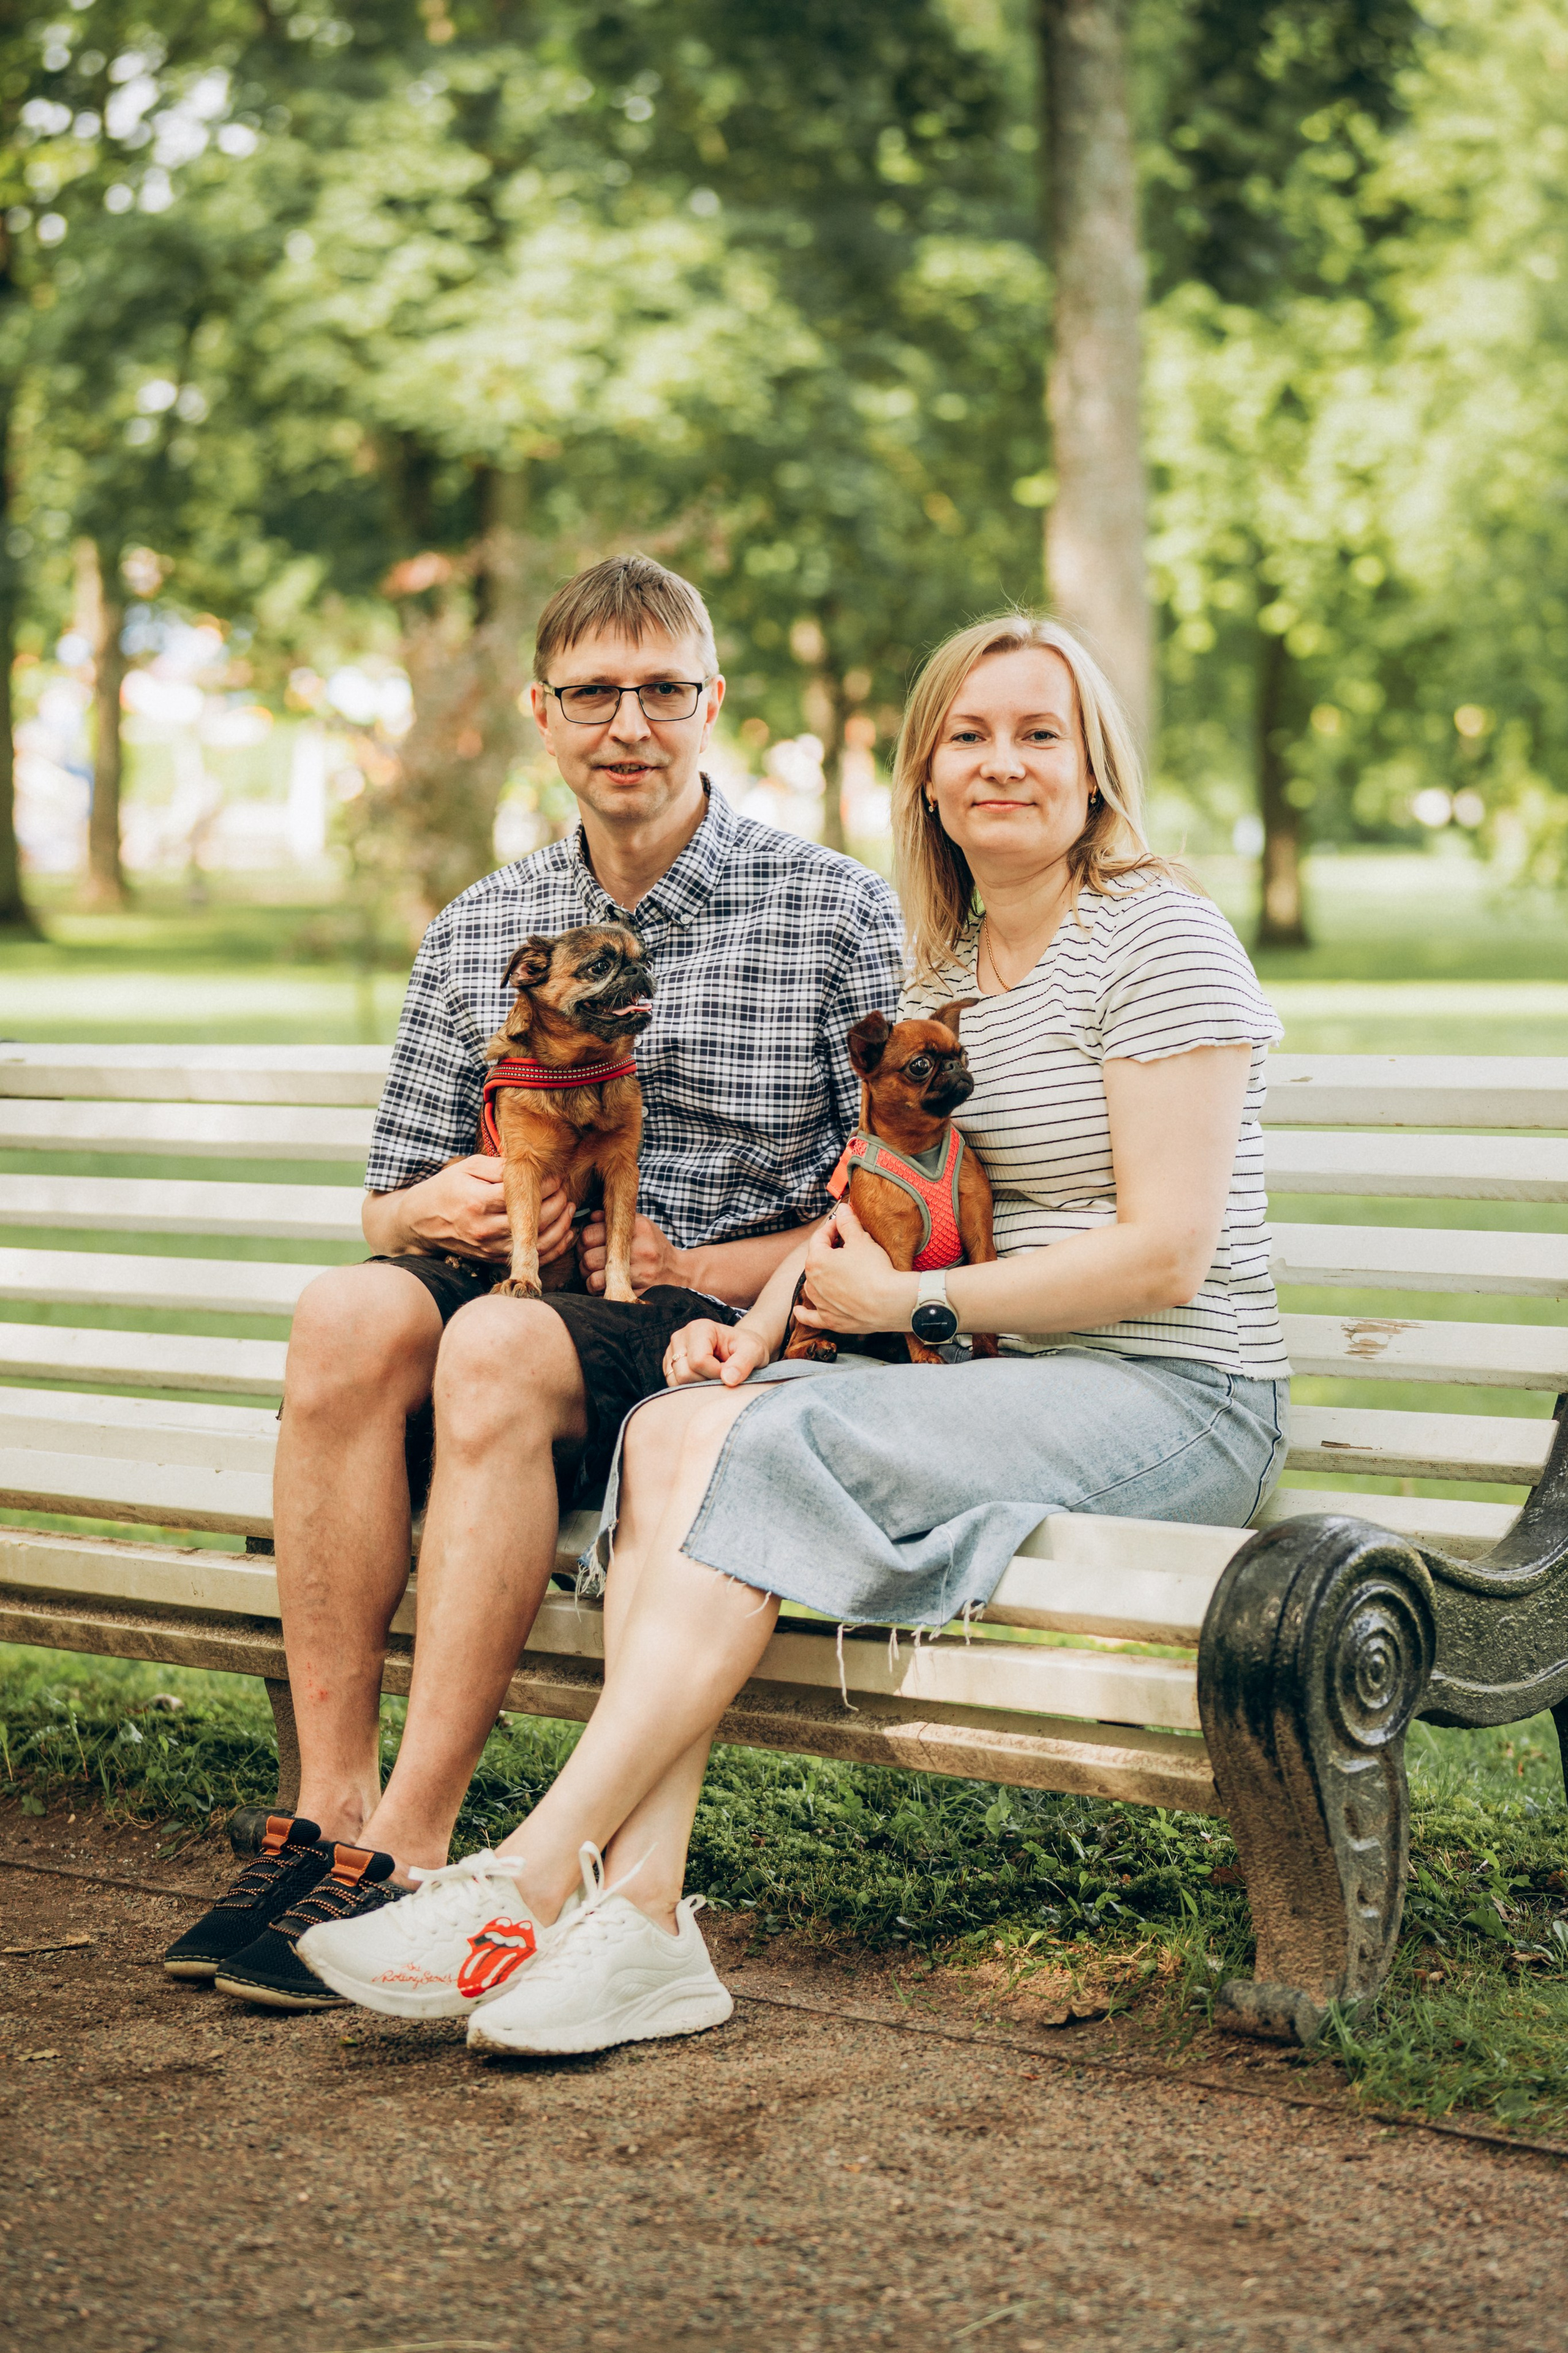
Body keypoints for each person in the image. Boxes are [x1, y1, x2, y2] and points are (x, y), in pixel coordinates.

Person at [291, 609, 1292, 2055]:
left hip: (1175, 1395)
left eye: (1037, 733)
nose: (1000, 763)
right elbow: (872, 1194)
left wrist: (905, 1309)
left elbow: (1165, 1259)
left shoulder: (1158, 936)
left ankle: (528, 1871)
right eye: (968, 735)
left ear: (1094, 770)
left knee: (751, 1444)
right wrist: (754, 1326)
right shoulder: (947, 969)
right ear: (927, 777)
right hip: (1011, 1376)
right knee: (685, 1421)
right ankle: (642, 1918)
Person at [164, 552, 903, 2006]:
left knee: (497, 1345)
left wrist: (689, 1260)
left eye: (661, 692)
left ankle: (412, 1850)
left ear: (712, 705)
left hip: (708, 1316)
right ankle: (324, 1820)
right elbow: (386, 1202)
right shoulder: (478, 929)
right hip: (510, 1279)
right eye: (592, 696)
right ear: (541, 713)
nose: (628, 725)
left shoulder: (828, 912)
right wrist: (422, 1205)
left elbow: (870, 1205)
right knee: (347, 1309)